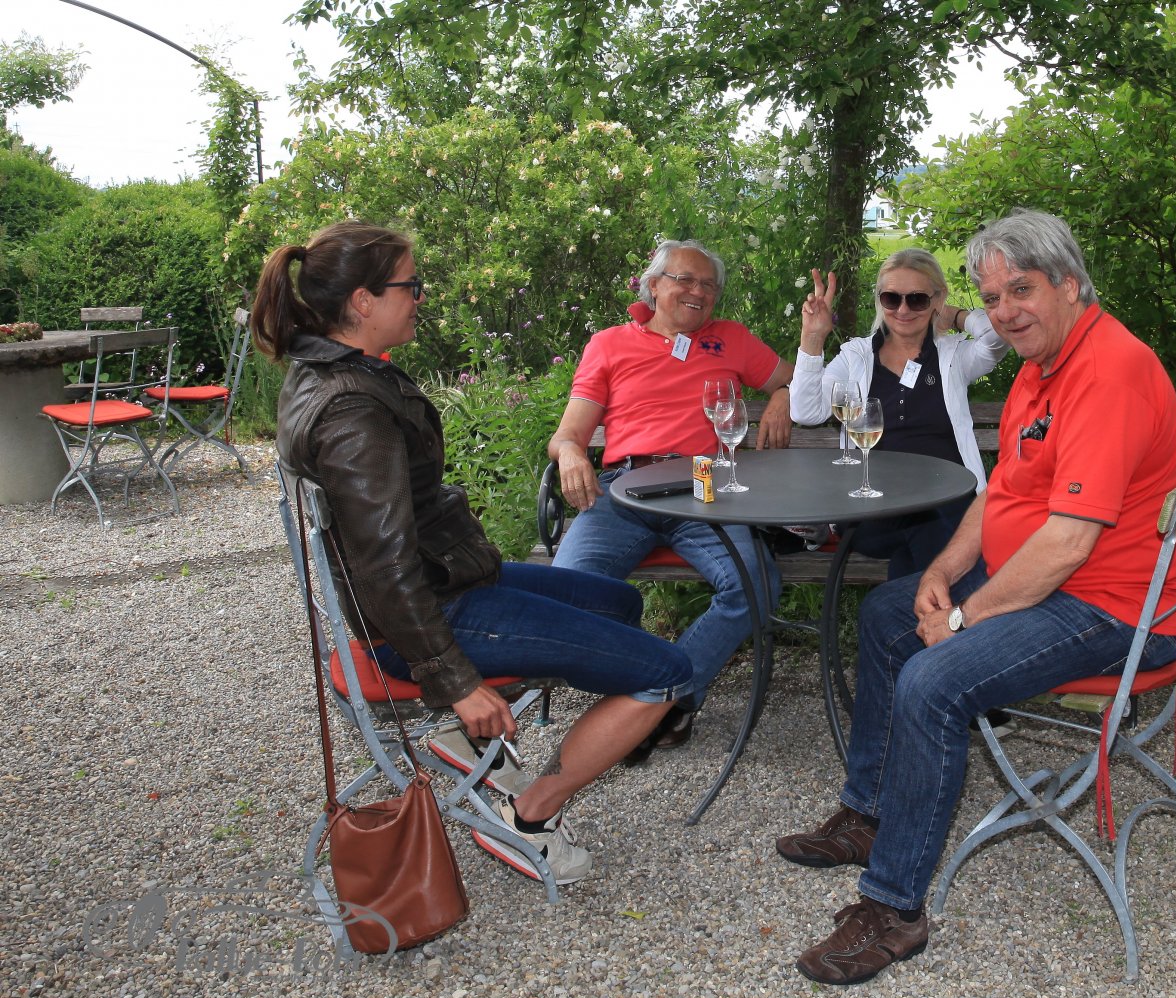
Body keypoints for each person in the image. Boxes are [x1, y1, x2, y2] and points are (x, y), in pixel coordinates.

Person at [775, 209, 1176, 984]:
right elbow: (1000, 493)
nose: (1005, 311)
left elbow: (1068, 544)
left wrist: (965, 616)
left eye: (1021, 290)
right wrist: (940, 574)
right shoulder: (1045, 363)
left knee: (933, 679)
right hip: (1055, 579)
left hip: (1117, 608)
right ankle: (868, 813)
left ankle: (895, 907)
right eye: (993, 297)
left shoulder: (1108, 372)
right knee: (889, 612)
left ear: (1069, 284)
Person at [260, 220, 694, 887]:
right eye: (410, 285)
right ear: (363, 301)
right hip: (425, 618)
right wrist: (457, 683)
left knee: (619, 601)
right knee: (666, 671)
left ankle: (468, 745)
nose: (420, 297)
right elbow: (384, 567)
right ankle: (532, 814)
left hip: (445, 582)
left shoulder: (333, 371)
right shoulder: (351, 413)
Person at [548, 240, 793, 763]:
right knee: (566, 597)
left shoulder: (730, 339)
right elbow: (569, 433)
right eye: (685, 279)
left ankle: (660, 700)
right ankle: (653, 683)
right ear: (654, 285)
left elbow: (796, 380)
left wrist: (781, 397)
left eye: (708, 285)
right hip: (625, 489)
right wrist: (570, 453)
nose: (698, 291)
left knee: (756, 584)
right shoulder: (610, 344)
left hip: (705, 486)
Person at [790, 248, 1010, 579]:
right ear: (880, 301)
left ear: (937, 298)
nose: (903, 310)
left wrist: (954, 315)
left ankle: (907, 606)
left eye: (918, 299)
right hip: (874, 507)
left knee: (925, 536)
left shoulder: (953, 356)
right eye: (891, 299)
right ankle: (943, 604)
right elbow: (806, 412)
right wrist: (812, 337)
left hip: (949, 499)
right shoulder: (856, 357)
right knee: (931, 525)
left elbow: (997, 336)